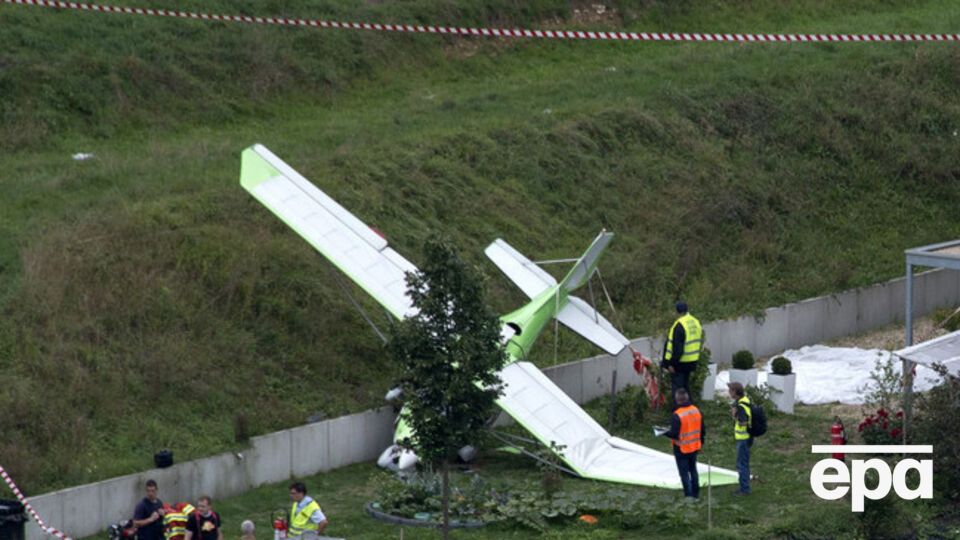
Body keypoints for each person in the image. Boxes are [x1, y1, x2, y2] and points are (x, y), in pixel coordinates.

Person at [662, 388, 704, 499]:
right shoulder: (696, 410)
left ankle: (689, 496)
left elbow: (674, 434)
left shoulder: (677, 415)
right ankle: (696, 493)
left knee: (684, 473)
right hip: (694, 446)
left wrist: (664, 432)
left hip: (682, 448)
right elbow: (702, 429)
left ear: (677, 400)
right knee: (693, 470)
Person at [661, 301, 704, 400]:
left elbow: (678, 349)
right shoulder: (695, 321)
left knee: (678, 391)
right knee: (685, 387)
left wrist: (671, 364)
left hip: (680, 363)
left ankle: (680, 409)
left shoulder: (679, 325)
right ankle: (689, 407)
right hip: (692, 361)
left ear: (677, 312)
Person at [728, 381, 752, 495]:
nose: (729, 392)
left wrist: (735, 415)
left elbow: (743, 422)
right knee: (744, 463)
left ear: (735, 392)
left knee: (741, 464)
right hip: (746, 437)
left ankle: (744, 489)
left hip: (743, 438)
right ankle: (744, 487)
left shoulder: (741, 406)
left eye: (730, 390)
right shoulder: (745, 401)